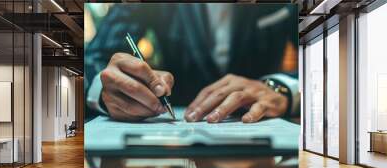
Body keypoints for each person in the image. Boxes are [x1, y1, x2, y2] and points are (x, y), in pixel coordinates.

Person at [85, 3, 299, 123]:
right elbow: (92, 58)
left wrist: (283, 88)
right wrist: (108, 88)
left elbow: (323, 50)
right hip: (179, 139)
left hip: (261, 125)